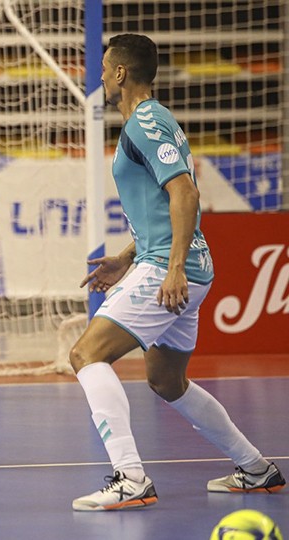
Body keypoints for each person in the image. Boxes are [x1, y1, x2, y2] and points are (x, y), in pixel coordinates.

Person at [70, 34, 285, 511]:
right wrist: (127, 256)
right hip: (178, 264)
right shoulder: (149, 121)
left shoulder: (145, 122)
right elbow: (162, 204)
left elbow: (185, 194)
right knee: (167, 381)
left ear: (122, 73)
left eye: (106, 67)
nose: (101, 74)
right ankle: (255, 469)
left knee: (87, 354)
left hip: (172, 269)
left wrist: (170, 270)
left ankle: (129, 478)